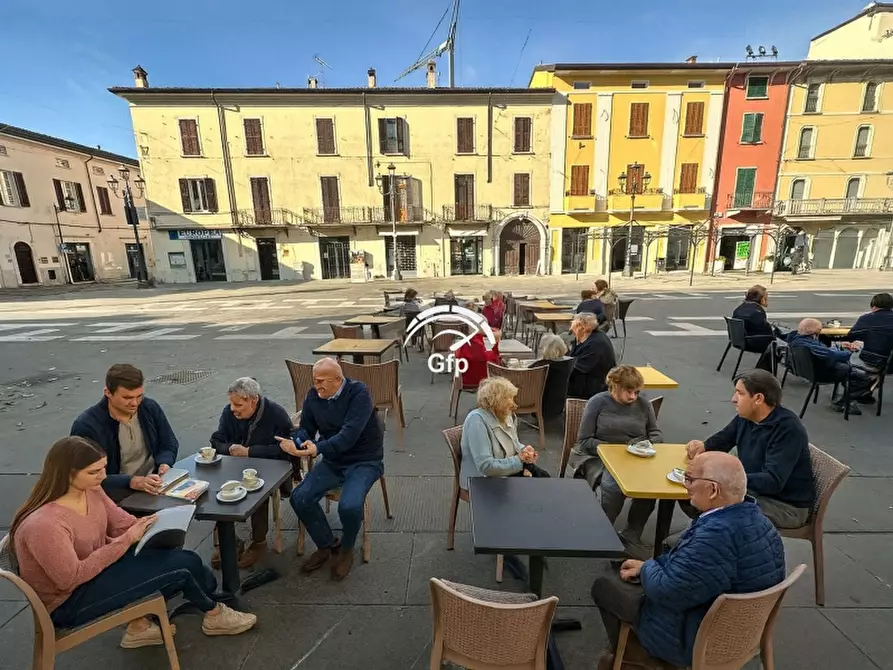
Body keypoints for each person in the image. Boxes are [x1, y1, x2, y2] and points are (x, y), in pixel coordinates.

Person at [8, 437, 256, 646]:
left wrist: (155, 524)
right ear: (66, 474)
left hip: (96, 573)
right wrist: (126, 540)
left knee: (182, 559)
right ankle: (212, 613)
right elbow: (69, 578)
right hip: (68, 602)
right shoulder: (44, 525)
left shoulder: (90, 490)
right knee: (181, 568)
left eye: (103, 468)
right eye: (93, 472)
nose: (102, 476)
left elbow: (121, 522)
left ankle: (146, 622)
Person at [591, 452, 785, 669]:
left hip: (697, 638)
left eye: (690, 479)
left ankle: (638, 657)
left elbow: (667, 592)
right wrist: (649, 566)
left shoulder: (715, 537)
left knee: (605, 585)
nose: (685, 486)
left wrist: (649, 568)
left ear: (713, 490)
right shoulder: (761, 522)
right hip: (745, 632)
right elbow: (696, 575)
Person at [278, 358, 384, 581]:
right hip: (334, 460)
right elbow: (306, 428)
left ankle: (347, 548)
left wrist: (316, 449)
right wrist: (296, 441)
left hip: (364, 461)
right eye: (315, 381)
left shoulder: (358, 394)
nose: (317, 386)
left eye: (321, 381)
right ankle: (326, 544)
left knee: (349, 506)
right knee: (300, 497)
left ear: (338, 379)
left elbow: (348, 436)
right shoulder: (314, 395)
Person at [686, 370, 813, 529]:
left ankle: (704, 544)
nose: (733, 399)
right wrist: (703, 446)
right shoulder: (748, 417)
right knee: (693, 491)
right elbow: (724, 439)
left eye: (740, 393)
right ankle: (701, 540)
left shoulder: (787, 429)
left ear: (758, 398)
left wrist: (730, 481)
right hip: (754, 491)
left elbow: (773, 481)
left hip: (786, 506)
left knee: (713, 501)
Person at [460, 377, 546, 580]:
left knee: (544, 483)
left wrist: (525, 452)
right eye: (509, 398)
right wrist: (519, 463)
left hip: (505, 472)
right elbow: (486, 466)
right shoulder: (476, 421)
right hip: (482, 480)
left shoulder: (506, 416)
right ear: (495, 401)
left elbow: (514, 444)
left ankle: (530, 539)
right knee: (529, 495)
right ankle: (508, 549)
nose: (514, 404)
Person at [570, 366, 663, 550]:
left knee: (649, 488)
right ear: (615, 386)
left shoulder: (644, 405)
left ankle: (632, 532)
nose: (633, 397)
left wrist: (646, 445)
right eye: (629, 391)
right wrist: (612, 450)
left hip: (636, 456)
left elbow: (655, 433)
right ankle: (603, 529)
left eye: (637, 392)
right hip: (600, 456)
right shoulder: (597, 402)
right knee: (613, 485)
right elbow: (584, 441)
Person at [209, 377, 295, 569]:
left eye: (238, 404)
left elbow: (286, 450)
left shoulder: (276, 414)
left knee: (258, 491)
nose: (233, 408)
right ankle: (232, 538)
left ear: (253, 400)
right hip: (235, 465)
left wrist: (250, 451)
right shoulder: (229, 413)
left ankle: (259, 541)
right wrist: (230, 447)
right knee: (217, 488)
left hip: (269, 467)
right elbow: (216, 440)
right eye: (231, 403)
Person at [71, 364, 179, 499]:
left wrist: (165, 463)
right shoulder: (87, 425)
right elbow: (84, 475)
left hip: (154, 481)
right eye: (127, 398)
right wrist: (130, 481)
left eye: (139, 396)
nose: (134, 403)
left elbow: (168, 442)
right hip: (114, 493)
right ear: (108, 393)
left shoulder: (149, 408)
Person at [786, 318, 871, 415]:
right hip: (821, 374)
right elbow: (835, 355)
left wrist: (841, 347)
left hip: (809, 371)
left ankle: (853, 397)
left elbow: (827, 352)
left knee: (849, 372)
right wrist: (850, 350)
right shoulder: (811, 345)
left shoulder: (795, 340)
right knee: (861, 376)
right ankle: (842, 402)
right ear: (814, 332)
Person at [567, 312, 616, 400]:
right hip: (586, 381)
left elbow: (578, 368)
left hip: (594, 387)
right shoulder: (585, 337)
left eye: (574, 327)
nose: (571, 329)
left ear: (583, 328)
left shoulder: (596, 343)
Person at [847, 292, 893, 381]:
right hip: (890, 361)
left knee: (849, 353)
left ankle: (863, 387)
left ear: (873, 306)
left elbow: (851, 336)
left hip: (874, 360)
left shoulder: (866, 319)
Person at [455, 303, 502, 388]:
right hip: (483, 382)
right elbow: (493, 360)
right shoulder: (479, 347)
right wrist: (496, 345)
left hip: (464, 380)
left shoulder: (462, 346)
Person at [529, 333, 574, 420]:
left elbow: (527, 374)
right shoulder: (568, 363)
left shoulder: (542, 366)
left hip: (541, 406)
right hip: (558, 406)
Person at [731, 285, 777, 354]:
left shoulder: (739, 308)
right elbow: (767, 331)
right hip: (752, 342)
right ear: (762, 299)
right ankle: (767, 364)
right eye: (766, 297)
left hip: (738, 341)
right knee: (778, 343)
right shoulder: (757, 311)